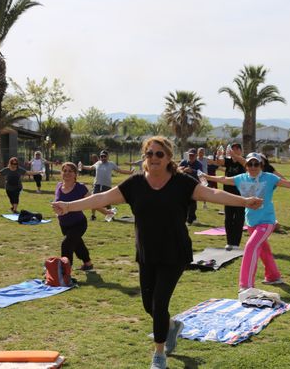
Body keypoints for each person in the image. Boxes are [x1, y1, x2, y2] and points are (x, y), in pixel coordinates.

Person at [52, 136, 262, 369]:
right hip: (147, 252)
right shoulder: (135, 184)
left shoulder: (182, 183)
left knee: (159, 303)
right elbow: (101, 198)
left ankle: (159, 355)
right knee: (148, 305)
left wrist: (243, 201)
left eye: (159, 154)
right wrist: (68, 206)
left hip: (174, 253)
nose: (153, 158)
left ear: (169, 157)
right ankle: (171, 327)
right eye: (149, 153)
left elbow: (212, 195)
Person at [204, 152, 290, 291]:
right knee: (264, 251)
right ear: (246, 166)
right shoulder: (240, 178)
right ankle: (273, 276)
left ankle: (246, 286)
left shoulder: (269, 178)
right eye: (250, 164)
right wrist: (206, 176)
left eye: (256, 164)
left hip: (267, 221)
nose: (253, 167)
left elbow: (288, 183)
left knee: (251, 246)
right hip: (251, 222)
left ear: (261, 165)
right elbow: (223, 179)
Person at [55, 162, 111, 271]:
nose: (67, 173)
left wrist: (105, 212)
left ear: (75, 174)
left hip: (78, 224)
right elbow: (57, 203)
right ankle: (88, 264)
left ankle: (65, 272)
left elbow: (93, 202)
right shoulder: (58, 186)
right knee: (77, 244)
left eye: (70, 171)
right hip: (64, 225)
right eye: (65, 171)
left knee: (66, 244)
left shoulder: (80, 188)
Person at [210, 143, 246, 250]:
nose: (234, 151)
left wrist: (234, 155)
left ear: (240, 151)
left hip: (240, 195)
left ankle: (236, 243)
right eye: (232, 149)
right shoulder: (229, 161)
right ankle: (230, 242)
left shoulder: (244, 161)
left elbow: (243, 162)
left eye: (236, 149)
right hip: (227, 194)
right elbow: (220, 162)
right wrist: (219, 154)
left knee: (239, 219)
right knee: (228, 218)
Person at [78, 150, 131, 221]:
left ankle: (111, 216)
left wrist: (129, 172)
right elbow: (90, 167)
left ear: (107, 157)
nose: (103, 158)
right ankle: (93, 216)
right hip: (97, 185)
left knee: (108, 201)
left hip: (107, 186)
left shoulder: (111, 164)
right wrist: (83, 166)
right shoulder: (98, 163)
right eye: (101, 156)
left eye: (104, 156)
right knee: (94, 200)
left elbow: (120, 170)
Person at [177, 148, 202, 224]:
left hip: (194, 185)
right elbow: (176, 169)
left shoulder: (198, 164)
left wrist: (192, 171)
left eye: (192, 155)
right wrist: (182, 169)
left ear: (195, 156)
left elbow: (201, 174)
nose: (191, 156)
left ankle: (191, 219)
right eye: (190, 155)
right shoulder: (183, 162)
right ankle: (184, 218)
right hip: (183, 185)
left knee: (193, 203)